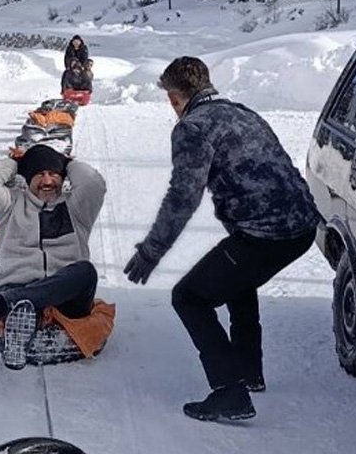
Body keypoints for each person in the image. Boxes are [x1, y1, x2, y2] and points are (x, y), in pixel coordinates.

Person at [123, 57, 321, 424]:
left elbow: (183, 197)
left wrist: (151, 251)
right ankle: (248, 371)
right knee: (235, 278)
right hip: (303, 227)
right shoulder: (242, 113)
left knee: (188, 297)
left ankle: (230, 391)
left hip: (267, 235)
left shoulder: (192, 128)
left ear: (174, 98)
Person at [0, 144, 107, 369]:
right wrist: (17, 162)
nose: (48, 180)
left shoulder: (77, 208)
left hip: (66, 297)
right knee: (22, 302)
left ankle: (6, 307)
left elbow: (94, 183)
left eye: (54, 174)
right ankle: (20, 324)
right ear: (27, 178)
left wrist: (67, 162)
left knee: (85, 271)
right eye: (39, 174)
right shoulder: (10, 206)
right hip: (17, 285)